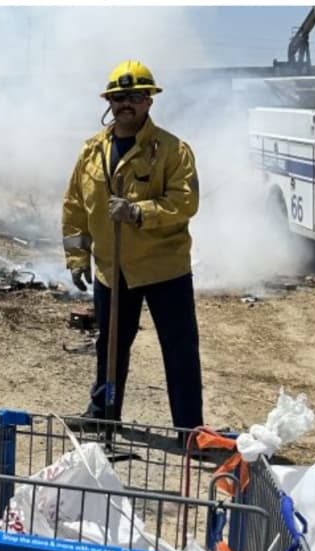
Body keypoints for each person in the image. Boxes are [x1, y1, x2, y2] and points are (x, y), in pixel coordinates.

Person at [62, 60, 203, 432]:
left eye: (136, 96)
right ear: (109, 101)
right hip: (112, 269)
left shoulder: (173, 150)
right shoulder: (91, 151)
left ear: (150, 101)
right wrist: (77, 256)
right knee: (109, 347)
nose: (127, 103)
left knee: (179, 350)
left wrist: (139, 212)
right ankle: (103, 417)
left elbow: (184, 202)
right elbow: (76, 204)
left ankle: (190, 430)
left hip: (163, 269)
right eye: (120, 97)